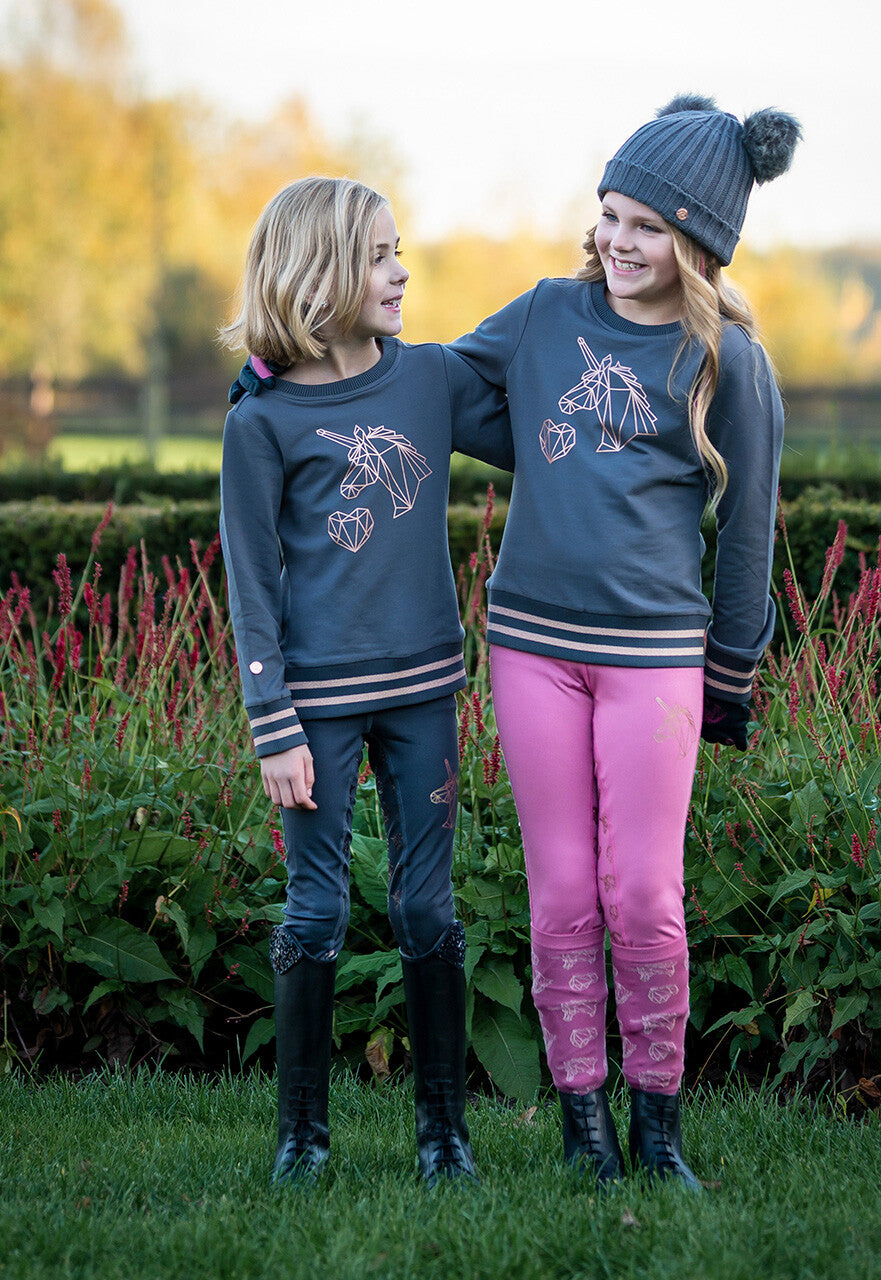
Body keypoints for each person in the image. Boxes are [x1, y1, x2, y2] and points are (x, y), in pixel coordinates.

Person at [444, 94, 800, 1186]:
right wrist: (302, 370)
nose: (617, 240)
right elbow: (445, 389)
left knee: (642, 890)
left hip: (655, 661)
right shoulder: (547, 313)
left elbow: (749, 530)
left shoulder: (729, 360)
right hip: (530, 646)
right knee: (560, 893)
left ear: (697, 242)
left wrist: (731, 671)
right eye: (608, 213)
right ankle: (583, 1123)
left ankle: (657, 1123)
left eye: (646, 225)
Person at [218, 175, 513, 1187]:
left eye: (399, 252)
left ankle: (444, 1136)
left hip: (426, 688)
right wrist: (272, 720)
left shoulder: (428, 378)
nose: (401, 272)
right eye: (381, 256)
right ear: (324, 272)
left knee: (428, 910)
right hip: (315, 711)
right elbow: (251, 581)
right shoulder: (260, 422)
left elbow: (537, 438)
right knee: (316, 912)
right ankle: (302, 1138)